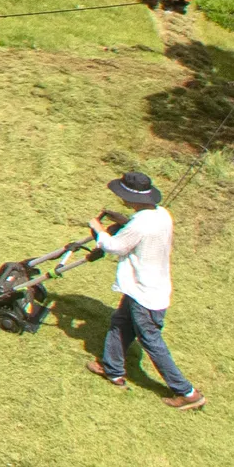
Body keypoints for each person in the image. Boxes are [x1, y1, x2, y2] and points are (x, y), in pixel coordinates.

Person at [90, 169, 203, 408]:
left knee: (151, 340)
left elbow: (116, 247)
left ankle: (187, 392)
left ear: (131, 199)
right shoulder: (162, 214)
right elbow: (137, 229)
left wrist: (98, 229)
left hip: (145, 294)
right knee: (120, 323)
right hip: (142, 287)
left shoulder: (140, 225)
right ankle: (112, 369)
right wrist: (122, 220)